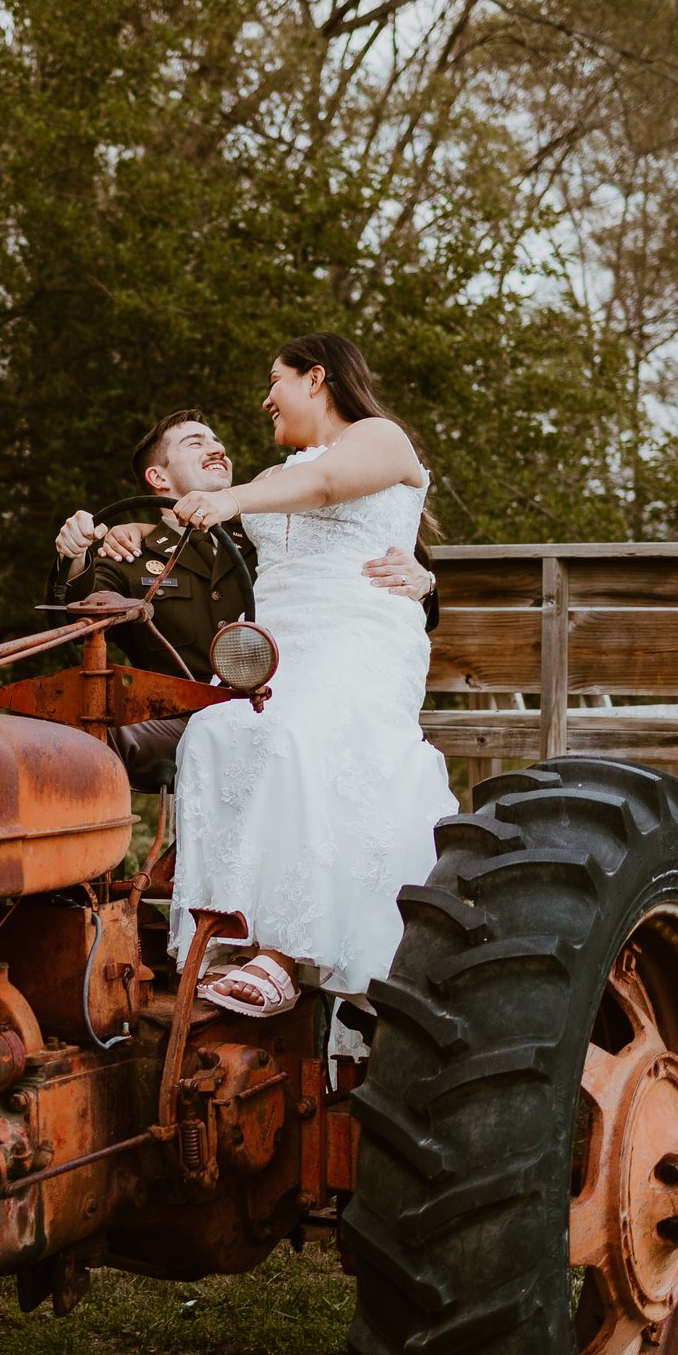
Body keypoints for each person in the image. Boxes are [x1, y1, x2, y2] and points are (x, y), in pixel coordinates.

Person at [163, 334, 457, 1015]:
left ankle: (284, 953)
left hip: (360, 635)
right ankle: (226, 935)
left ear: (316, 377)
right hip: (281, 650)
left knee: (298, 732)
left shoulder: (380, 439)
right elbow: (195, 528)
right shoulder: (269, 480)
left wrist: (234, 501)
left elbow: (325, 485)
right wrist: (100, 536)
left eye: (276, 380)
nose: (266, 398)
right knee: (212, 733)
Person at [52, 411, 430, 786]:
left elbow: (345, 574)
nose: (217, 449)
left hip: (274, 704)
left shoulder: (267, 532)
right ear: (158, 477)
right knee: (81, 739)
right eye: (195, 443)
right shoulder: (132, 554)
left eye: (217, 441)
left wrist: (424, 581)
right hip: (179, 719)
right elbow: (80, 618)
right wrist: (74, 557)